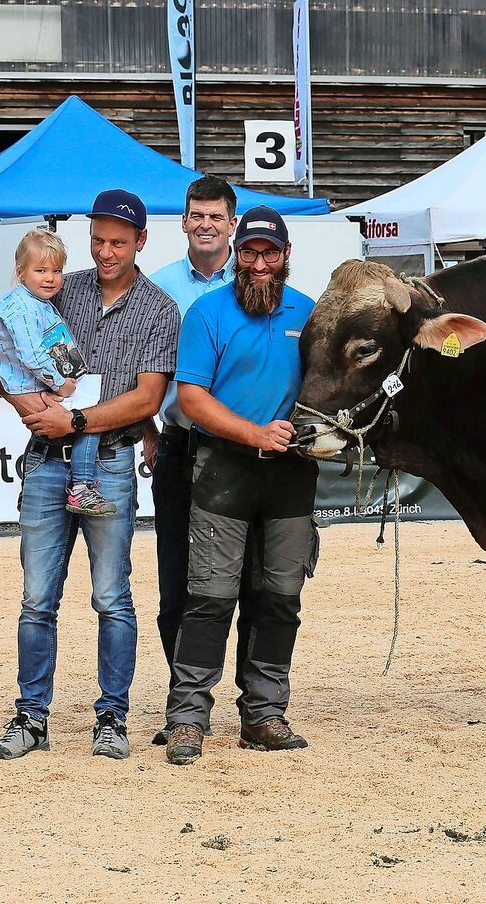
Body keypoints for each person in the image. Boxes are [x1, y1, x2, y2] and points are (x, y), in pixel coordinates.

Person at [0, 188, 180, 762]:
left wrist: (73, 419)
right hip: (47, 460)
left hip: (112, 461)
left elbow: (147, 398)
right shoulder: (55, 288)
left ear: (141, 241)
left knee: (111, 596)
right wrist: (29, 406)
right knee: (36, 598)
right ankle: (31, 717)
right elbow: (1, 357)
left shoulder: (159, 309)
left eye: (118, 242)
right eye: (97, 240)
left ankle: (112, 716)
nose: (106, 251)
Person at [163, 205, 320, 766]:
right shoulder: (207, 313)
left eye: (268, 253)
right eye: (249, 252)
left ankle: (264, 714)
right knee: (210, 597)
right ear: (236, 252)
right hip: (223, 467)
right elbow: (191, 398)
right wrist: (254, 433)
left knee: (281, 598)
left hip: (291, 472)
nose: (258, 263)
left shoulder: (309, 313)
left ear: (285, 255)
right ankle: (187, 718)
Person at [141, 174, 239, 744]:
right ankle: (184, 705)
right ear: (182, 222)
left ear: (231, 223)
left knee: (246, 580)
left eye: (215, 216)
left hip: (242, 447)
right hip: (179, 442)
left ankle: (254, 705)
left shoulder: (257, 281)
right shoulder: (159, 288)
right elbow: (133, 367)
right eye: (196, 215)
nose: (205, 225)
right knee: (176, 582)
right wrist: (148, 429)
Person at [0, 230, 114, 517]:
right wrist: (60, 384)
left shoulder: (32, 302)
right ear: (21, 272)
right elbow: (32, 356)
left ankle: (34, 488)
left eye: (56, 271)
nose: (50, 278)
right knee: (89, 419)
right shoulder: (24, 308)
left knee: (65, 426)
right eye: (41, 270)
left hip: (32, 383)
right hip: (31, 386)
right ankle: (81, 486)